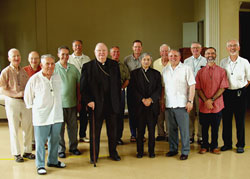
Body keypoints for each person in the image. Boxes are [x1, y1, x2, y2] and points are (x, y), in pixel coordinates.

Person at [24, 54, 66, 175]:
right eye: (47, 64)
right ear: (41, 65)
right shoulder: (34, 79)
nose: (50, 66)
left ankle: (53, 161)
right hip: (41, 117)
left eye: (52, 63)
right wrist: (37, 109)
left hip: (57, 115)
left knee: (54, 140)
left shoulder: (57, 77)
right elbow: (28, 98)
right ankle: (40, 165)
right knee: (41, 142)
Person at [81, 43, 121, 163]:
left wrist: (117, 101)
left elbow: (118, 84)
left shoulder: (114, 65)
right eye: (99, 51)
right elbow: (83, 87)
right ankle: (94, 156)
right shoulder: (87, 66)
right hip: (96, 104)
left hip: (111, 104)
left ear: (107, 52)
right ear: (95, 52)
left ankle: (113, 153)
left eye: (104, 50)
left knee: (112, 132)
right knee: (95, 133)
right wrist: (88, 101)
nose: (101, 53)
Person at [0, 48, 35, 162]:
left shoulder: (24, 71)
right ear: (9, 58)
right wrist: (16, 94)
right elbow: (2, 89)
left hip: (25, 102)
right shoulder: (5, 72)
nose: (16, 58)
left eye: (18, 55)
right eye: (13, 56)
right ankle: (16, 153)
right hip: (12, 102)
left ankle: (27, 151)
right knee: (14, 128)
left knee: (28, 127)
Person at [163, 50, 195, 160]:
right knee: (171, 129)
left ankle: (185, 151)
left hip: (182, 104)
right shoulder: (165, 70)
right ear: (168, 57)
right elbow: (164, 88)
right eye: (171, 56)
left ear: (180, 57)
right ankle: (173, 149)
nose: (173, 58)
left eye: (175, 56)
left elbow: (192, 86)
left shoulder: (186, 69)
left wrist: (190, 101)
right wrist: (163, 102)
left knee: (184, 130)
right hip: (169, 104)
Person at [195, 47, 229, 155]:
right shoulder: (200, 72)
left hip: (217, 105)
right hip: (204, 105)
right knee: (204, 127)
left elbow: (223, 87)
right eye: (208, 53)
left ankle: (214, 146)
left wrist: (212, 100)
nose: (210, 55)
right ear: (204, 55)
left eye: (213, 53)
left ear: (216, 55)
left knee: (215, 127)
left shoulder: (222, 71)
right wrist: (206, 101)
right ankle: (204, 145)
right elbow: (198, 88)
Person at [220, 40, 250, 153]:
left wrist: (240, 88)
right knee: (226, 120)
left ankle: (240, 144)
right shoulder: (223, 62)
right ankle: (227, 144)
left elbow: (248, 79)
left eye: (234, 46)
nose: (232, 48)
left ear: (238, 47)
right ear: (227, 48)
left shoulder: (244, 62)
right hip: (227, 94)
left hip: (240, 94)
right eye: (230, 46)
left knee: (240, 121)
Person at [130, 54, 161, 158]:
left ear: (151, 61)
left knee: (152, 131)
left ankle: (151, 151)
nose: (146, 61)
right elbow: (133, 90)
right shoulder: (134, 74)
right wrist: (142, 99)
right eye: (144, 59)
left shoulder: (156, 74)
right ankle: (140, 152)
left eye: (148, 59)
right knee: (140, 131)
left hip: (152, 107)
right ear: (141, 61)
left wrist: (151, 99)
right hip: (140, 107)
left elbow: (159, 89)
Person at [55, 46, 81, 158]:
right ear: (58, 55)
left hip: (72, 104)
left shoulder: (73, 68)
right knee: (59, 129)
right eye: (63, 54)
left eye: (67, 54)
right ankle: (61, 149)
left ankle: (73, 147)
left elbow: (80, 84)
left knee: (73, 128)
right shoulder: (54, 68)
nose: (65, 56)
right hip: (59, 105)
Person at [184, 42, 207, 144]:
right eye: (193, 48)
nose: (195, 50)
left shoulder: (205, 60)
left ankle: (201, 136)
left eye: (197, 48)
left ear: (201, 49)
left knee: (201, 113)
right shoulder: (186, 61)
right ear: (191, 49)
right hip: (189, 91)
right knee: (190, 114)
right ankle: (190, 136)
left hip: (201, 91)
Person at [68, 40, 91, 143]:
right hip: (72, 89)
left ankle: (82, 135)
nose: (78, 47)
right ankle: (72, 138)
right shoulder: (68, 58)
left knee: (83, 114)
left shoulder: (87, 59)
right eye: (75, 46)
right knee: (71, 116)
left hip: (84, 89)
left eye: (79, 45)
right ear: (73, 47)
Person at [124, 40, 145, 142]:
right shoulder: (126, 59)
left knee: (142, 113)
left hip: (143, 90)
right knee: (132, 113)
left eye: (139, 47)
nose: (137, 49)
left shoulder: (145, 58)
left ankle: (141, 134)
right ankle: (133, 134)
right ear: (132, 48)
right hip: (131, 90)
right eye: (135, 47)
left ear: (141, 48)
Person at [110, 46, 130, 145]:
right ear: (110, 54)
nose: (116, 54)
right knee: (111, 116)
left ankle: (118, 137)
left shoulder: (123, 66)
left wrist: (122, 88)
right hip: (109, 94)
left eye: (117, 52)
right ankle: (112, 138)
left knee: (120, 116)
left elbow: (127, 79)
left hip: (120, 93)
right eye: (114, 52)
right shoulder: (107, 65)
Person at [23, 51, 42, 150]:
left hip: (41, 102)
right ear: (28, 59)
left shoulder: (43, 69)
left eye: (36, 58)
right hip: (30, 102)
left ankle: (41, 141)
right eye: (32, 58)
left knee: (40, 123)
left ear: (39, 59)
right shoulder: (24, 71)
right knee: (30, 123)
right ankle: (32, 142)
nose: (34, 60)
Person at [153, 44, 170, 141]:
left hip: (169, 92)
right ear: (160, 53)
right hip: (158, 91)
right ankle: (160, 133)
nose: (164, 53)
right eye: (163, 51)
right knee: (159, 114)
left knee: (168, 115)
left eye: (166, 51)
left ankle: (168, 134)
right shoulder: (155, 63)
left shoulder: (172, 63)